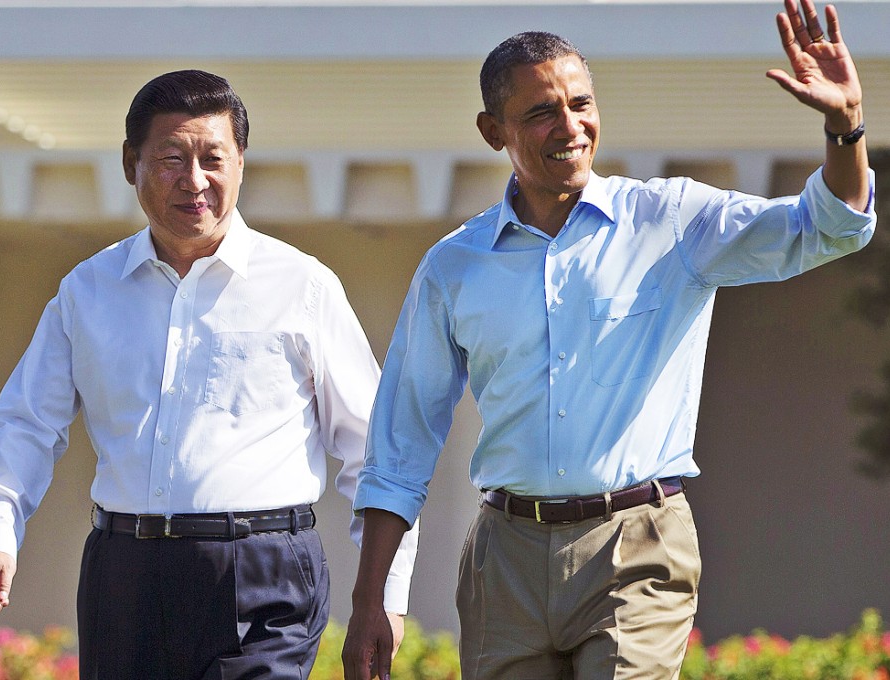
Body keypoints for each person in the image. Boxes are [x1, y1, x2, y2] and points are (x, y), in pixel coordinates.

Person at [342, 0, 875, 678]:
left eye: (581, 104)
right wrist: (371, 601)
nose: (570, 126)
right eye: (540, 111)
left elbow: (824, 229)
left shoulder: (671, 219)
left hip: (638, 545)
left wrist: (844, 127)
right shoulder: (454, 266)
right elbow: (401, 442)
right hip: (503, 558)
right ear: (491, 129)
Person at [0, 69, 417, 680]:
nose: (195, 180)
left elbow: (374, 451)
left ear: (241, 163)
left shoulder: (302, 286)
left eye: (213, 158)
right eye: (171, 158)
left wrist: (385, 596)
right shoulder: (87, 291)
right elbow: (26, 424)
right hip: (123, 574)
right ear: (132, 163)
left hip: (264, 576)